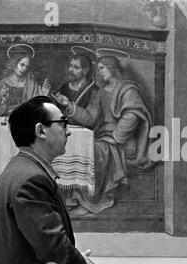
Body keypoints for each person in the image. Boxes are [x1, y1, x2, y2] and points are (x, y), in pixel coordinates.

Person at [0, 96, 97, 264]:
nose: (68, 131)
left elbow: (34, 242)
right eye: (63, 124)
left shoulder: (18, 169)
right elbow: (52, 246)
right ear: (40, 131)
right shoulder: (32, 180)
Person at [55, 55, 153, 216]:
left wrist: (116, 136)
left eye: (102, 68)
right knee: (79, 147)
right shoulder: (101, 92)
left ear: (113, 68)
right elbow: (91, 117)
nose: (99, 73)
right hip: (104, 136)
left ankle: (89, 203)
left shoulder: (128, 90)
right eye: (98, 69)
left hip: (123, 140)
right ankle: (74, 198)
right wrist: (69, 105)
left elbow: (132, 115)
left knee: (94, 151)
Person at [0, 45, 51, 117]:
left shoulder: (32, 84)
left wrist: (43, 96)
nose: (24, 69)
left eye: (27, 66)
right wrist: (3, 101)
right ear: (14, 63)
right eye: (22, 65)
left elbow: (37, 109)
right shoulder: (2, 84)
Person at [55, 54, 99, 127]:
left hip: (82, 134)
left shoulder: (94, 91)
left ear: (85, 70)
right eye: (70, 66)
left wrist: (69, 104)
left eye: (76, 67)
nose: (71, 70)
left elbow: (91, 119)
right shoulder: (65, 86)